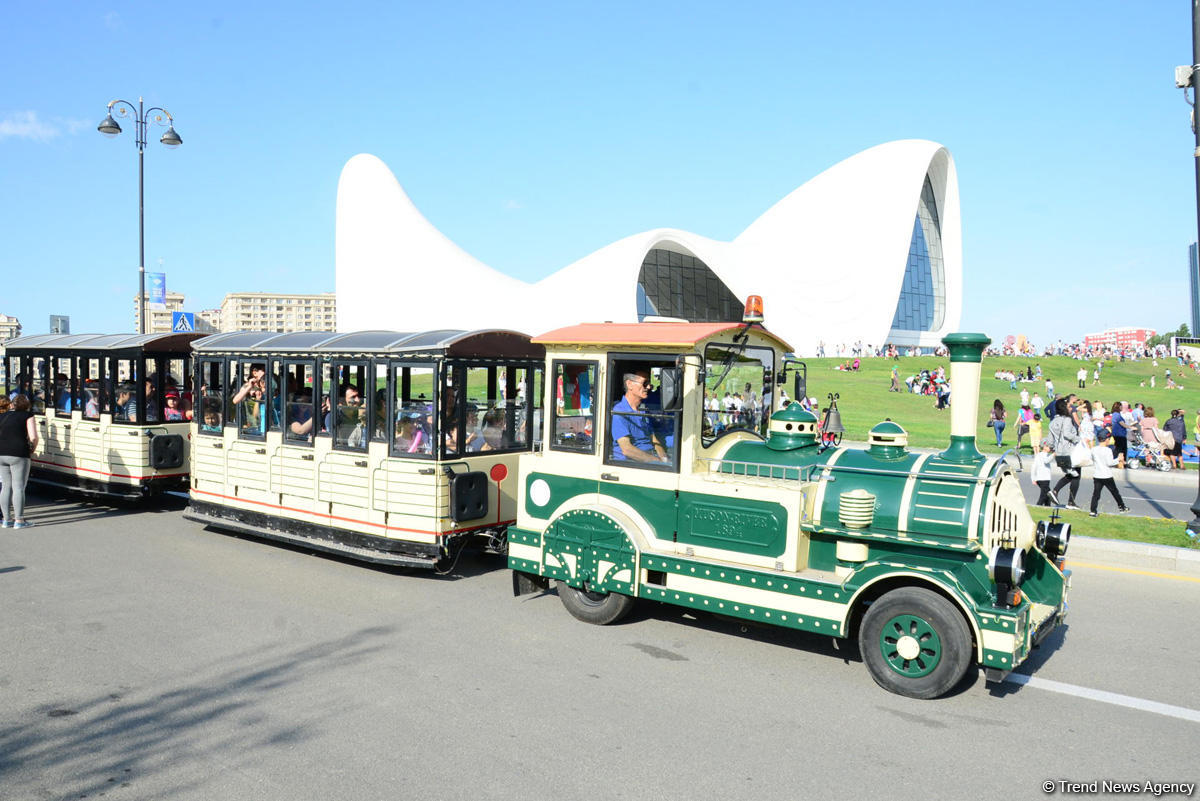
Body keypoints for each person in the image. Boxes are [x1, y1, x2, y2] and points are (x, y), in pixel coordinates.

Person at [611, 370, 669, 463]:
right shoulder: (619, 412)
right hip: (633, 463)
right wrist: (657, 462)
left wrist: (665, 459)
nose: (649, 387)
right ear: (629, 384)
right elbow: (627, 450)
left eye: (649, 383)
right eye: (645, 383)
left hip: (650, 457)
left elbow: (653, 439)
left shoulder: (643, 409)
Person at [0, 394, 38, 529]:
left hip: (1, 453)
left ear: (12, 405)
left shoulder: (2, 416)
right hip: (18, 453)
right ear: (27, 406)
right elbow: (33, 437)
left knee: (5, 486)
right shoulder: (28, 415)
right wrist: (32, 449)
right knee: (18, 487)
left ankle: (6, 520)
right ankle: (19, 520)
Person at [1048, 398, 1081, 509]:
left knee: (1070, 475)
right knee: (1076, 476)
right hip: (1070, 451)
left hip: (1059, 452)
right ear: (1064, 407)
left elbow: (1050, 441)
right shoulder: (1067, 419)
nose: (1070, 407)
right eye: (1068, 406)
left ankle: (1055, 491)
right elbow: (1067, 434)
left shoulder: (1052, 422)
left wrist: (1052, 449)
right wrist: (1079, 439)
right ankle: (1071, 502)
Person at [1088, 430, 1128, 517]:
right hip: (1107, 475)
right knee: (1114, 492)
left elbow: (1092, 459)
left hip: (1097, 475)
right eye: (1109, 439)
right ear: (1106, 439)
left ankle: (1093, 510)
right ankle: (1122, 507)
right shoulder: (1108, 450)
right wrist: (1119, 459)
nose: (1109, 441)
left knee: (1096, 494)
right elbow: (1109, 463)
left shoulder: (1094, 449)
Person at [1032, 438, 1055, 506]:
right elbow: (1046, 461)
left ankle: (1047, 506)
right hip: (1043, 478)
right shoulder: (1042, 455)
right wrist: (1054, 454)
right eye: (1048, 446)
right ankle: (1038, 506)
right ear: (1044, 447)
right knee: (1044, 495)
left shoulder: (1043, 455)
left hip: (1044, 478)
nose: (1050, 448)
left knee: (1048, 494)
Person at [1110, 401, 1128, 469]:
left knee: (1118, 448)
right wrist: (1130, 427)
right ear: (1118, 407)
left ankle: (1117, 461)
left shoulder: (1114, 414)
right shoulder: (1117, 415)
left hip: (1117, 434)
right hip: (1120, 434)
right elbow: (1122, 424)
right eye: (1121, 406)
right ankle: (1121, 462)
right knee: (1121, 449)